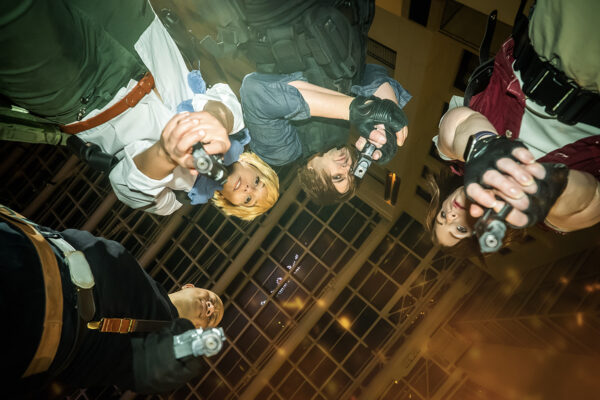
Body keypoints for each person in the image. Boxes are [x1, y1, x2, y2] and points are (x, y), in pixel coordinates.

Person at [0, 0, 278, 220]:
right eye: (258, 181)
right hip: (133, 27)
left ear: (231, 205)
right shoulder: (235, 129)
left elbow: (128, 187)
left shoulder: (174, 200)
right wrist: (214, 120)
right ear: (253, 164)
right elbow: (225, 101)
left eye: (249, 199)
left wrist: (166, 153)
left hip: (80, 93)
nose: (248, 188)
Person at [426, 0, 600, 256]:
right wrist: (546, 190)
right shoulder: (541, 216)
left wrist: (483, 147)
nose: (450, 215)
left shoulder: (454, 155)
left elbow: (458, 123)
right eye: (459, 229)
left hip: (552, 37)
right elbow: (590, 203)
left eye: (442, 215)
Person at [0, 204, 224, 396]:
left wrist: (183, 350)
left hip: (38, 314)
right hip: (28, 242)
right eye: (213, 299)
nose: (211, 308)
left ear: (199, 329)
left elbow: (145, 366)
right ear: (189, 286)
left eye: (212, 318)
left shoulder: (158, 340)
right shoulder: (146, 285)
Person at [241, 65, 410, 204]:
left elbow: (254, 91)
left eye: (338, 177)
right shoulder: (343, 128)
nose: (347, 167)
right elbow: (365, 70)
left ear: (312, 176)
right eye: (353, 170)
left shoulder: (283, 152)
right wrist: (386, 111)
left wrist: (353, 109)